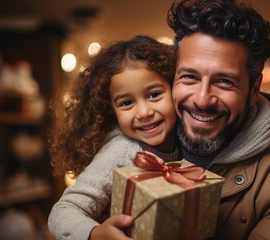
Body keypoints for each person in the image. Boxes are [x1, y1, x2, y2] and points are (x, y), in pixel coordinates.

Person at [105, 0, 270, 239]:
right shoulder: (138, 136)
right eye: (190, 77)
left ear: (254, 90)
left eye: (224, 81)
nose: (202, 100)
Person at [47, 35, 179, 240]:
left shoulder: (185, 139)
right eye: (126, 103)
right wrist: (96, 233)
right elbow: (62, 212)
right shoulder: (122, 151)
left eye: (154, 95)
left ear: (174, 89)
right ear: (111, 111)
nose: (144, 112)